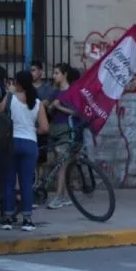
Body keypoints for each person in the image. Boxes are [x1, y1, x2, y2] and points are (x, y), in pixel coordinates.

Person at [0, 69, 49, 231]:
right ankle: (27, 219)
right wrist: (33, 131)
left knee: (9, 182)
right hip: (30, 144)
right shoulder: (38, 103)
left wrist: (8, 92)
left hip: (11, 142)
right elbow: (45, 128)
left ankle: (8, 217)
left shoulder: (11, 97)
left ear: (18, 83)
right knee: (26, 183)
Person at [44, 63, 81, 210]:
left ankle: (58, 197)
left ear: (64, 74)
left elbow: (76, 112)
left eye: (57, 73)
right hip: (54, 128)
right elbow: (45, 105)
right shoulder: (55, 91)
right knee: (59, 163)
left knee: (62, 164)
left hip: (67, 128)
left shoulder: (72, 91)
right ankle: (64, 196)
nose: (54, 76)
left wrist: (59, 107)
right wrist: (49, 106)